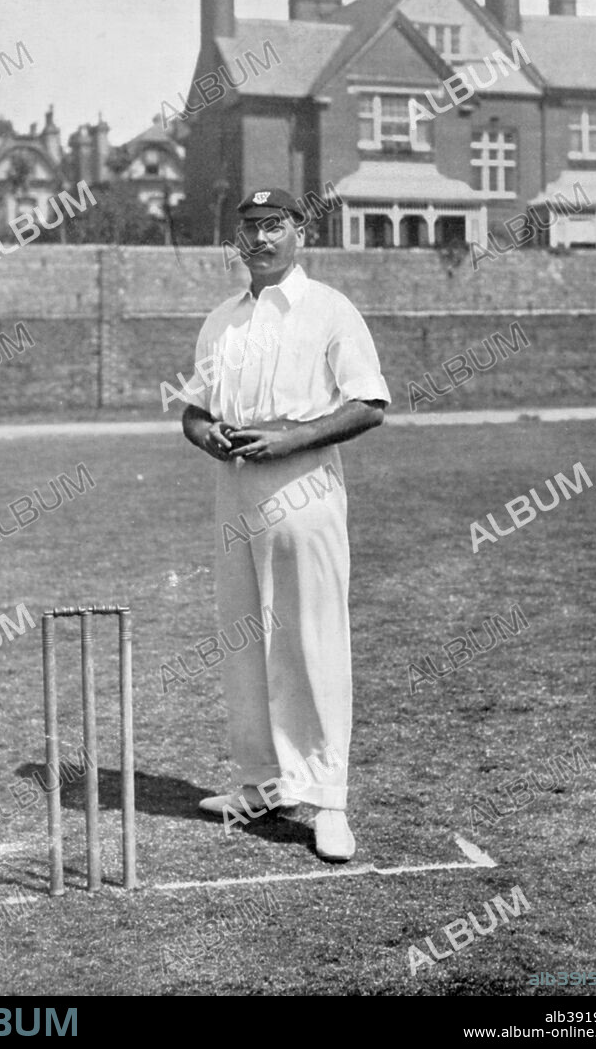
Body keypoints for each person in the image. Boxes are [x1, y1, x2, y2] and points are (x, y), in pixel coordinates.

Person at [179, 187, 390, 861]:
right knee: (244, 640)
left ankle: (329, 801)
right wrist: (208, 435)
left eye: (273, 225)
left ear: (300, 232)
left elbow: (368, 405)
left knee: (311, 639)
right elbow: (194, 409)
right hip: (233, 491)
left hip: (303, 491)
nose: (259, 239)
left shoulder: (330, 309)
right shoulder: (221, 319)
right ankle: (261, 783)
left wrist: (290, 438)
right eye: (248, 228)